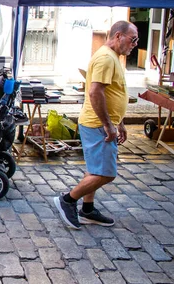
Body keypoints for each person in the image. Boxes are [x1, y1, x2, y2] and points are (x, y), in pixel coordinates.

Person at [54, 21, 138, 229]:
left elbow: (114, 93)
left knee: (94, 170)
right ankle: (68, 200)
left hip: (102, 123)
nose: (135, 44)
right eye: (133, 39)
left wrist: (120, 123)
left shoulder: (113, 57)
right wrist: (109, 125)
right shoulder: (105, 58)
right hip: (97, 125)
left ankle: (88, 210)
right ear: (119, 35)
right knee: (106, 173)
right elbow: (95, 92)